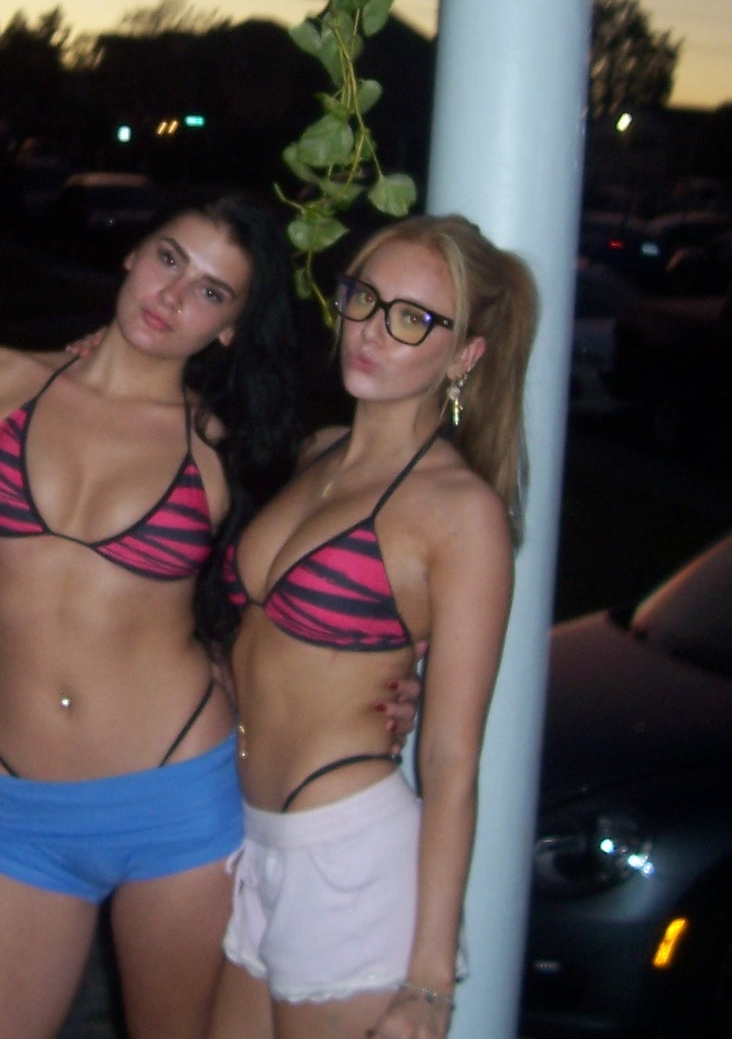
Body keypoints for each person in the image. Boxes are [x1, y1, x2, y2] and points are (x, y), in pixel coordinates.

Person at [0, 191, 306, 1039]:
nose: (172, 296)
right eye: (169, 258)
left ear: (230, 329)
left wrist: (379, 690)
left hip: (177, 799)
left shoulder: (223, 447)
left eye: (211, 292)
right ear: (134, 254)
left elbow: (296, 607)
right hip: (21, 812)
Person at [207, 214, 536, 1039]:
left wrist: (429, 982)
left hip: (347, 864)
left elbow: (452, 760)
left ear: (464, 356)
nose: (372, 331)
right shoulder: (318, 452)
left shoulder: (461, 514)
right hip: (256, 843)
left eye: (413, 318)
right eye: (364, 298)